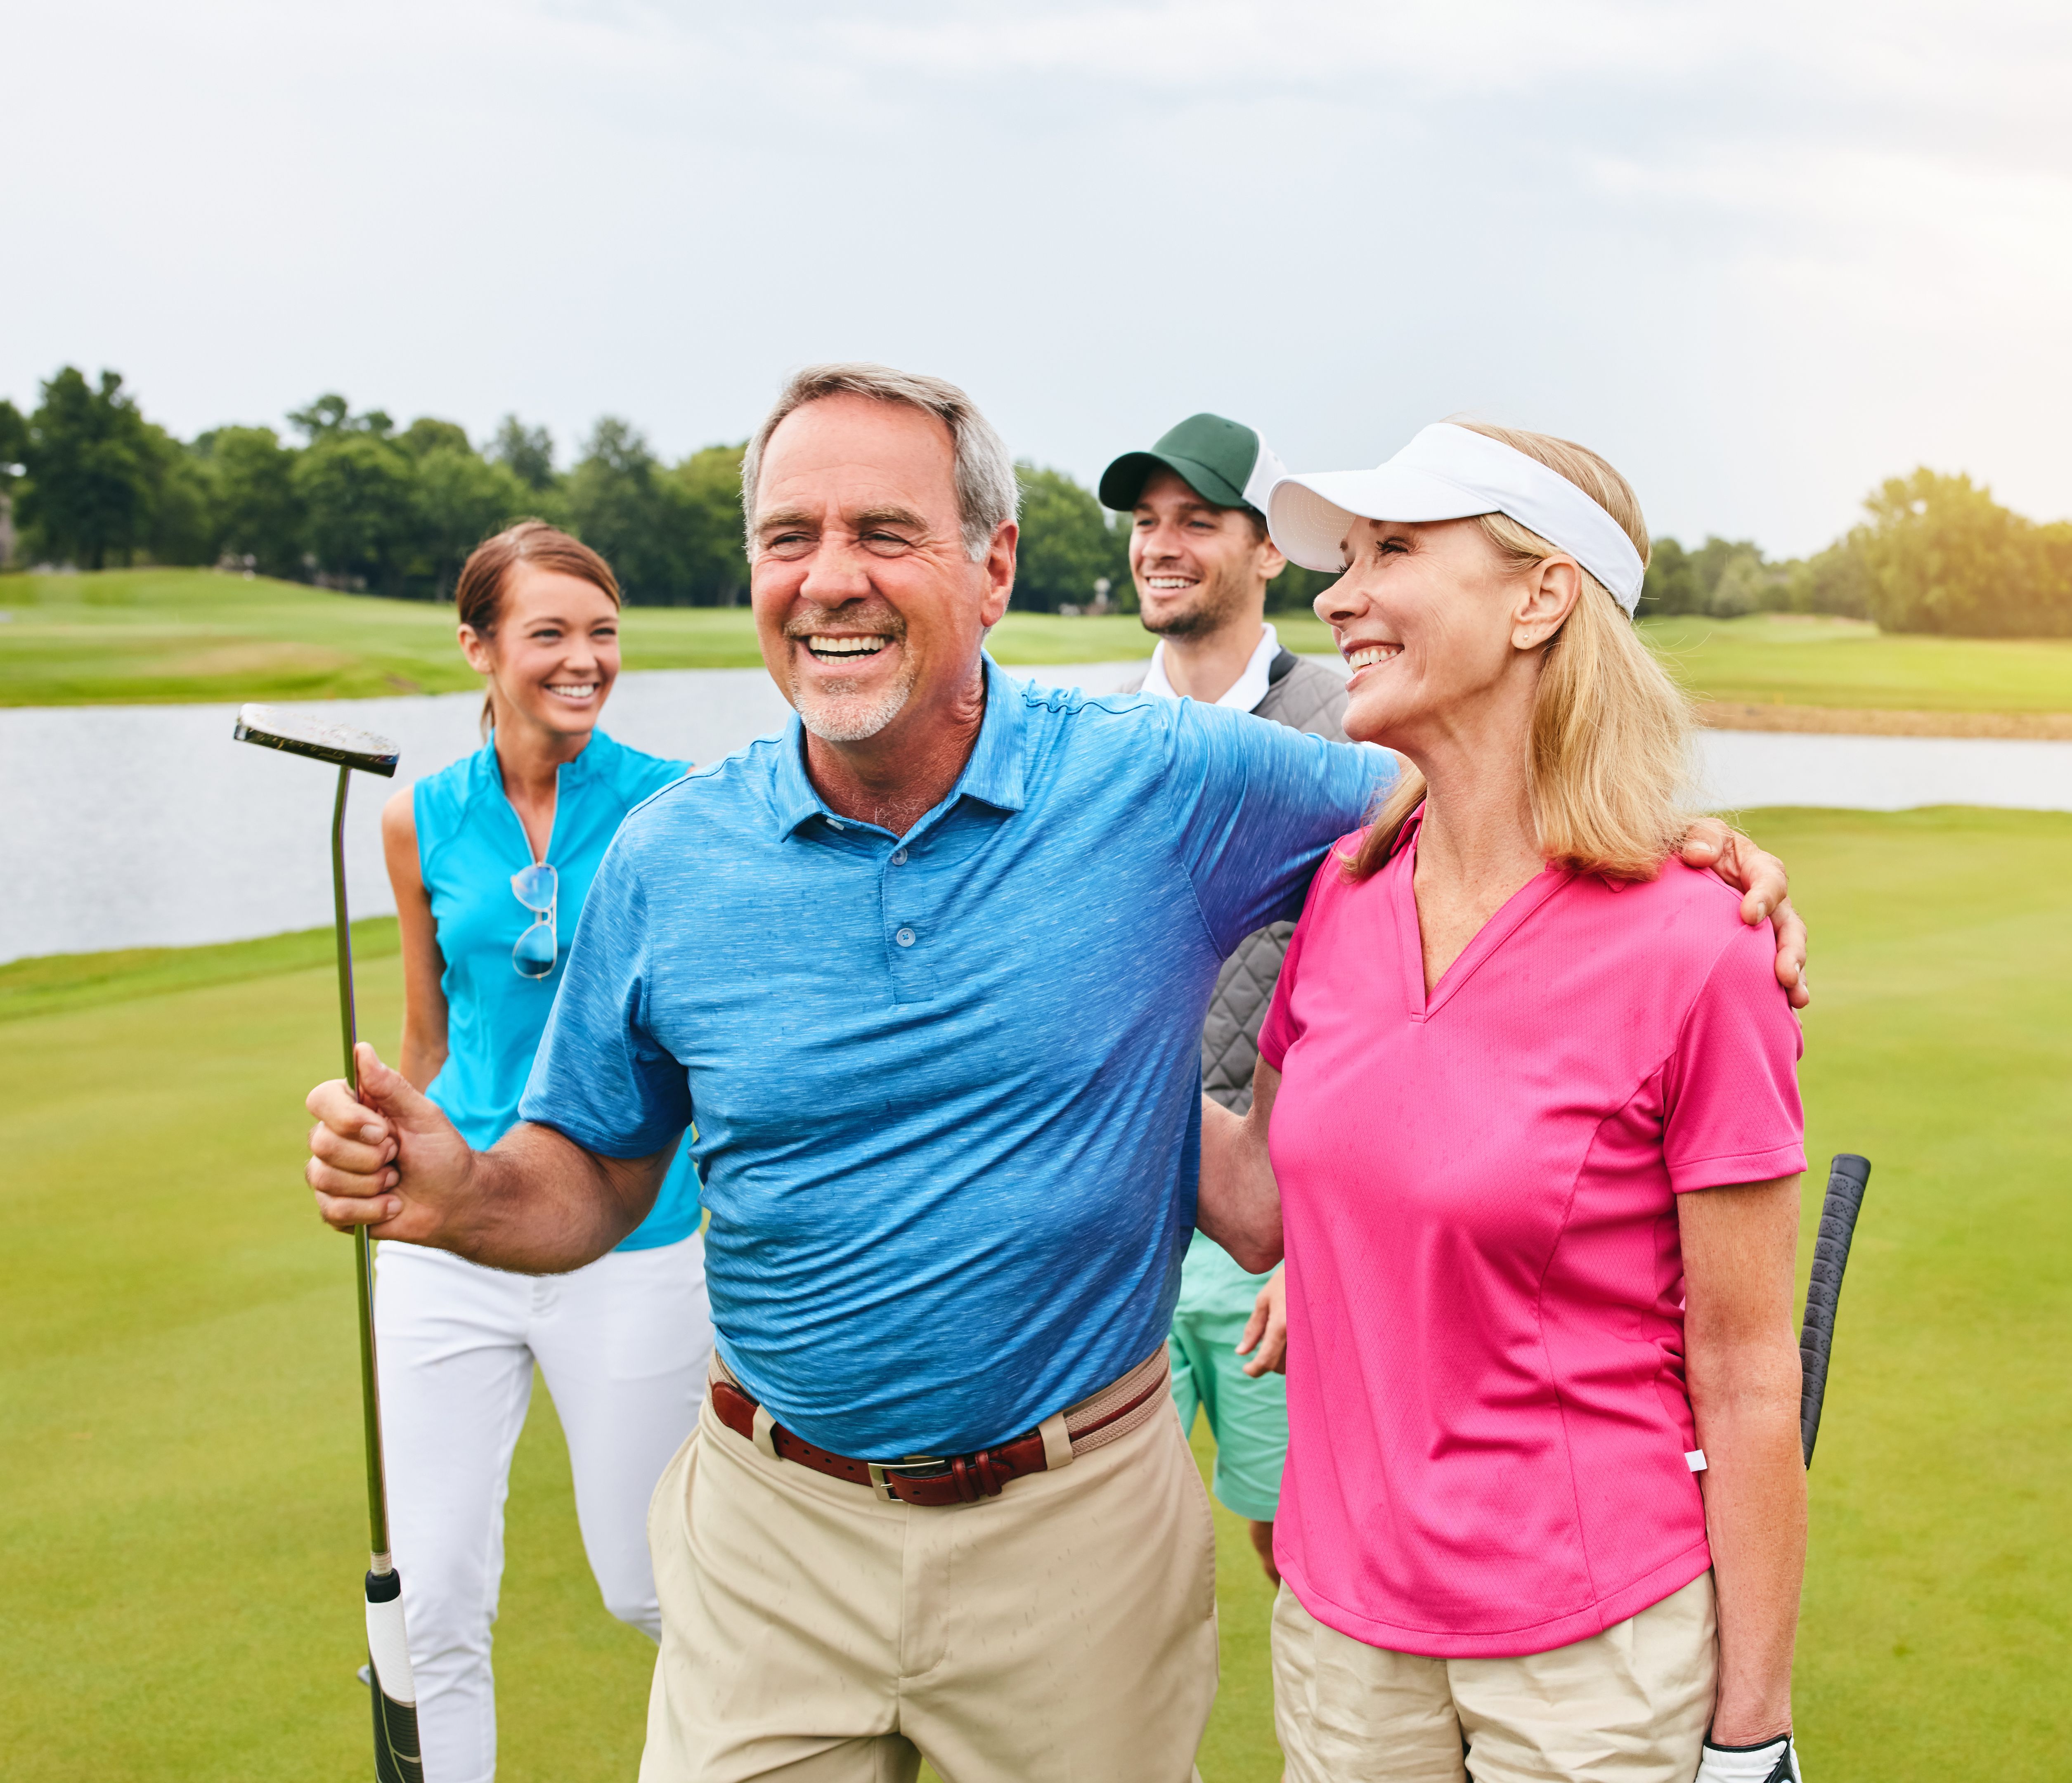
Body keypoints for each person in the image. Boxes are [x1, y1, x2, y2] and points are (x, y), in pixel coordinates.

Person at [301, 364, 1806, 1783]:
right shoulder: (669, 854)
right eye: (789, 538)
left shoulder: (1171, 781)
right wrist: (469, 1191)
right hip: (772, 1523)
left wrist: (1685, 847)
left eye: (886, 532)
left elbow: (1487, 793)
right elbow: (592, 1175)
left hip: (1080, 1526)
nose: (830, 577)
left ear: (994, 571)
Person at [1200, 422, 1812, 1783]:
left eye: (1395, 552)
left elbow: (1749, 1372)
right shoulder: (1343, 895)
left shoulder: (1701, 948)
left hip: (1592, 1657)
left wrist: (1751, 1736)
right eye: (1345, 559)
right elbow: (1256, 1210)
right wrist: (1058, 1029)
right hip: (1344, 1638)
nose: (1339, 595)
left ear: (1541, 598)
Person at [373, 520, 710, 1783]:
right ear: (478, 649)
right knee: (434, 1598)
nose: (585, 660)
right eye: (550, 634)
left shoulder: (674, 805)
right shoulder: (416, 818)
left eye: (603, 633)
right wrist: (376, 1135)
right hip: (451, 1233)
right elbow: (427, 1032)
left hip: (630, 1234)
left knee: (648, 1587)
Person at [1098, 411, 1343, 1584]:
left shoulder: (1351, 723)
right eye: (1148, 523)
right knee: (1096, 1548)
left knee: (1288, 1533)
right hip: (1114, 1218)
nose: (1163, 544)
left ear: (1270, 551)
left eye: (1200, 521)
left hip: (1285, 1221)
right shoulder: (1088, 740)